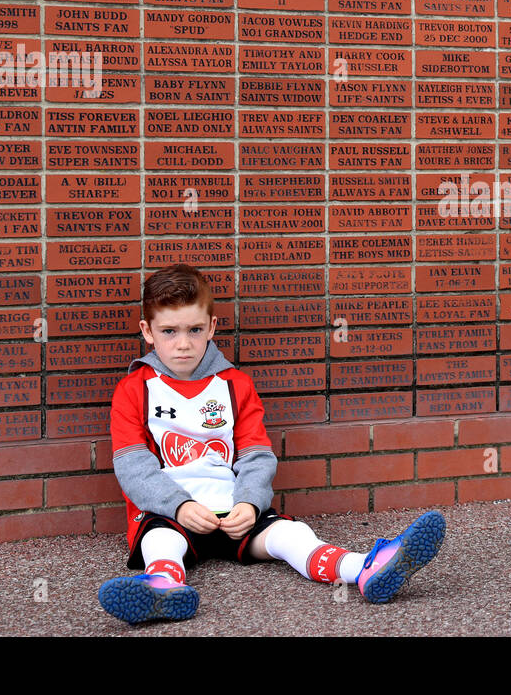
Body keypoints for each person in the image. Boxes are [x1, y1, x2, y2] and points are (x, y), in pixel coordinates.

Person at [98, 263, 445, 623]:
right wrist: (178, 506)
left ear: (212, 328)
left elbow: (256, 454)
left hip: (234, 513)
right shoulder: (134, 389)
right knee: (160, 543)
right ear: (148, 331)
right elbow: (133, 466)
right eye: (169, 331)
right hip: (170, 515)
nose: (183, 343)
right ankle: (162, 587)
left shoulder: (236, 385)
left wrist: (249, 503)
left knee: (292, 535)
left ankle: (364, 568)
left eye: (195, 330)